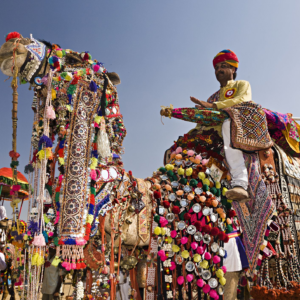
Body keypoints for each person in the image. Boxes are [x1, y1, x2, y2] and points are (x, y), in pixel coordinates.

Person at [190, 50, 251, 201]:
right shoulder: (213, 97)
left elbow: (242, 100)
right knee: (187, 146)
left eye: (223, 66)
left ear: (233, 69)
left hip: (237, 127)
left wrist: (213, 106)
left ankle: (240, 183)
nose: (219, 70)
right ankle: (215, 193)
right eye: (216, 68)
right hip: (214, 138)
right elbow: (202, 122)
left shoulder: (241, 85)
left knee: (227, 122)